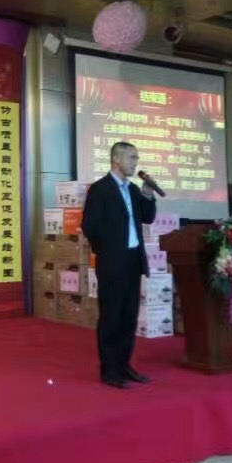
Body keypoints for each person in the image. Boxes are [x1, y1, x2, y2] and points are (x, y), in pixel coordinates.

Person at [81, 141, 157, 389]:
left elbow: (148, 217)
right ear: (116, 159)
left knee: (129, 316)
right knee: (111, 316)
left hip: (134, 261)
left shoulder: (133, 189)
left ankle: (124, 365)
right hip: (113, 262)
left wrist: (148, 193)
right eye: (132, 157)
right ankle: (110, 371)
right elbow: (90, 227)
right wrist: (108, 251)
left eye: (136, 158)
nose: (136, 162)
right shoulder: (100, 189)